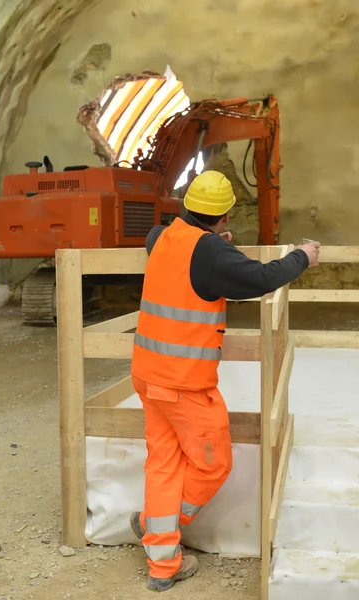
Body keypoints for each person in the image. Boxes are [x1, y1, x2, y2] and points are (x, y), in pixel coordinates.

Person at [129, 170, 320, 592]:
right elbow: (262, 278)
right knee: (214, 463)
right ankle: (154, 525)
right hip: (184, 385)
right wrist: (303, 255)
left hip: (146, 376)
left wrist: (217, 248)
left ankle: (163, 564)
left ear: (185, 207)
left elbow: (189, 252)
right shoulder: (213, 253)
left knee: (162, 462)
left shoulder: (160, 236)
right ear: (227, 213)